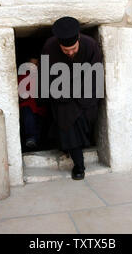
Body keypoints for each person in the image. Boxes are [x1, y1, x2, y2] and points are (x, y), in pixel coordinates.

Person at [37, 16, 103, 180]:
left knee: (83, 118)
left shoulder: (91, 46)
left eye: (73, 49)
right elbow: (46, 79)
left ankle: (70, 149)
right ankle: (79, 166)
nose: (71, 53)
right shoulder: (49, 47)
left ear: (79, 39)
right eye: (66, 51)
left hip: (85, 94)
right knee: (67, 120)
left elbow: (95, 77)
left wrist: (81, 95)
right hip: (62, 97)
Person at [18, 56, 47, 149]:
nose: (33, 67)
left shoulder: (43, 76)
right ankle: (30, 140)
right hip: (27, 105)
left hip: (40, 107)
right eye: (31, 65)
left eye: (36, 64)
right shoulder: (23, 76)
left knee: (40, 125)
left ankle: (38, 144)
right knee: (29, 121)